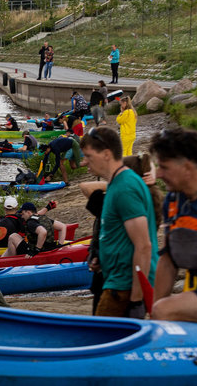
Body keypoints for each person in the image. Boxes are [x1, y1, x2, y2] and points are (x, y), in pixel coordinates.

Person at [79, 126, 157, 318]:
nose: (84, 162)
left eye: (88, 156)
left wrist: (136, 300)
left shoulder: (125, 188)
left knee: (101, 343)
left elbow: (144, 246)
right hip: (115, 280)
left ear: (106, 154)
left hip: (124, 288)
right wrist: (102, 259)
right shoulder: (116, 184)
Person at [150, 128, 197, 323]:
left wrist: (162, 310)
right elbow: (168, 261)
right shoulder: (173, 201)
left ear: (188, 168)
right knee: (161, 311)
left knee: (167, 310)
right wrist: (155, 315)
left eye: (164, 167)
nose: (159, 174)